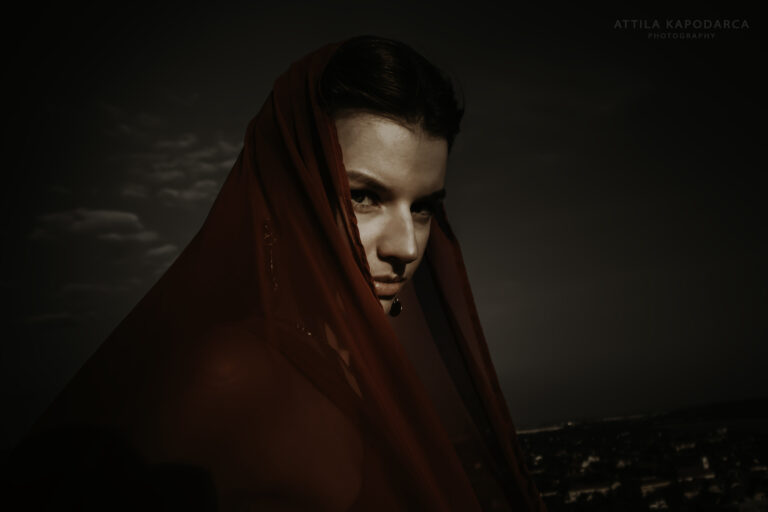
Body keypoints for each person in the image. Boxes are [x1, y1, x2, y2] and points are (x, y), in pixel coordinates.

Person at [7, 36, 546, 511]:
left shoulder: (364, 370)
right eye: (364, 196)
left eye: (423, 206)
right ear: (291, 194)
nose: (406, 245)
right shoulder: (228, 374)